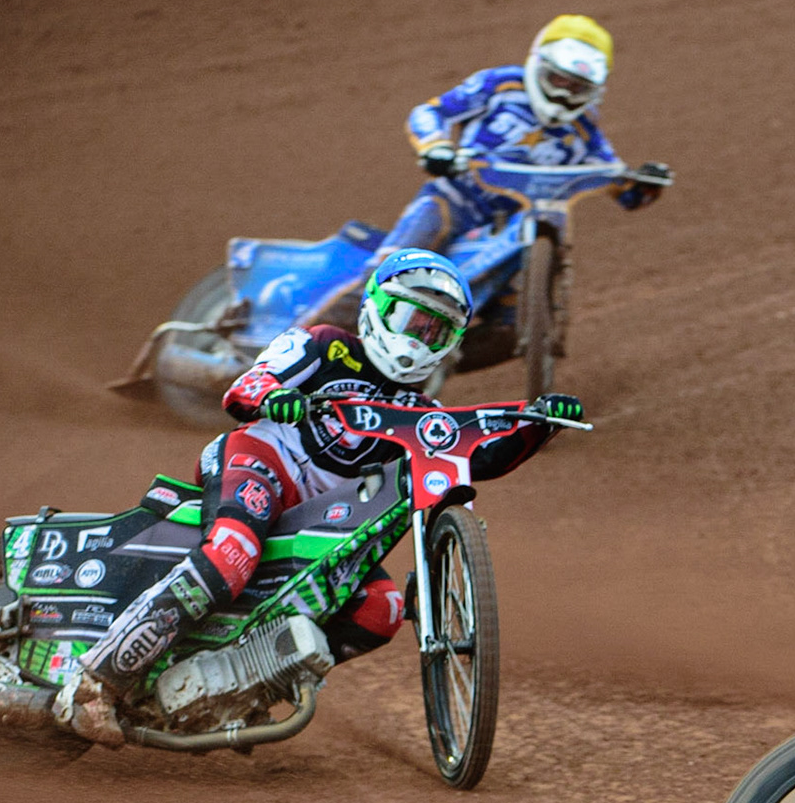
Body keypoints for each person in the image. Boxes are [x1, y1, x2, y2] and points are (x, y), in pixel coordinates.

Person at [59, 249, 580, 746]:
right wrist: (274, 397)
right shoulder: (324, 344)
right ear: (377, 310)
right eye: (411, 320)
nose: (420, 339)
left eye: (435, 330)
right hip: (262, 463)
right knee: (232, 553)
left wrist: (538, 428)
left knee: (383, 607)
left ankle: (249, 683)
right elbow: (247, 386)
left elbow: (478, 459)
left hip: (323, 523)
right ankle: (96, 681)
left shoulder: (424, 409)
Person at [302, 14, 672, 328]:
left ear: (593, 91)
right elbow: (431, 112)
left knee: (511, 321)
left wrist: (647, 182)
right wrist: (436, 147)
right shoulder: (500, 85)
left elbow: (622, 187)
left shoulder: (584, 133)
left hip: (513, 228)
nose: (563, 94)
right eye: (557, 80)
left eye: (576, 87)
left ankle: (456, 350)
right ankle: (303, 343)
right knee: (386, 274)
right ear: (539, 65)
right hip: (454, 198)